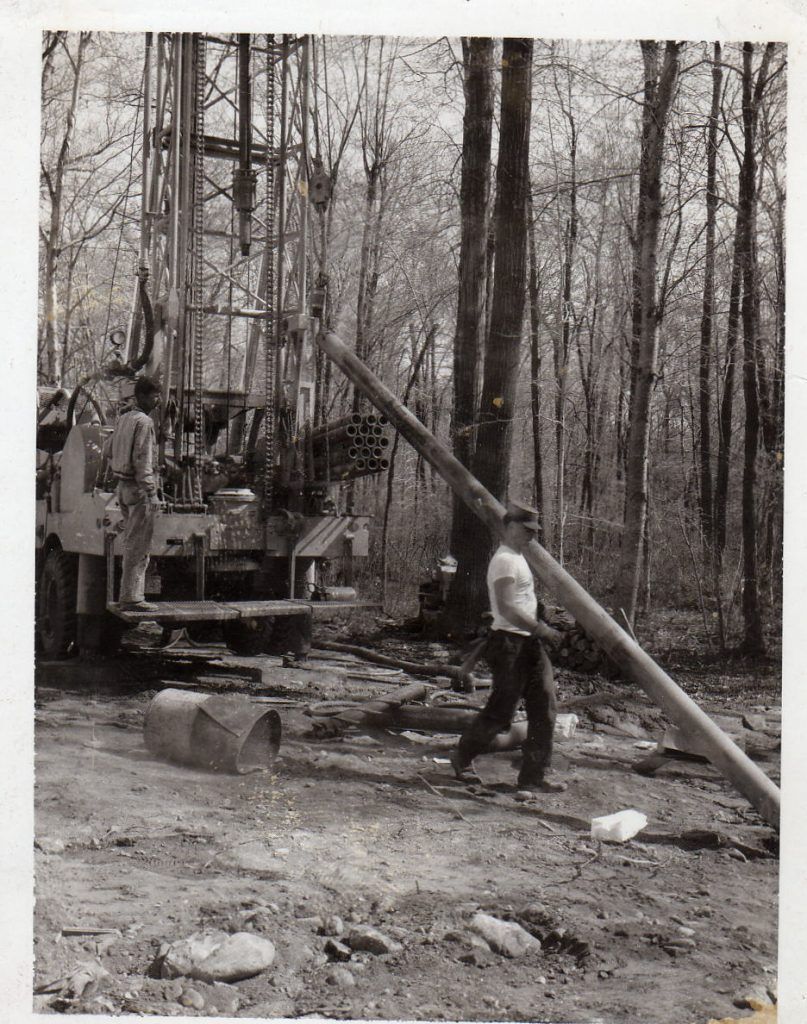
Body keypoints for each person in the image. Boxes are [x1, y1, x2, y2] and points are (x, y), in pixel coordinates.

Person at [450, 500, 567, 794]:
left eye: (534, 531)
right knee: (501, 712)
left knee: (545, 707)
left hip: (529, 643)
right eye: (526, 530)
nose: (531, 536)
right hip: (509, 645)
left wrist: (538, 629)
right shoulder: (504, 560)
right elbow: (507, 607)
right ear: (510, 526)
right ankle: (462, 758)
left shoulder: (518, 557)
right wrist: (543, 629)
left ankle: (533, 776)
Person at [110, 376, 161, 612]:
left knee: (130, 541)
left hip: (122, 486)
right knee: (139, 545)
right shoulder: (144, 422)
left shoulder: (123, 419)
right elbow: (142, 459)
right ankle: (132, 598)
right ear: (141, 396)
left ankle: (127, 595)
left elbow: (109, 450)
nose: (157, 400)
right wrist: (151, 492)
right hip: (139, 489)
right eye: (154, 396)